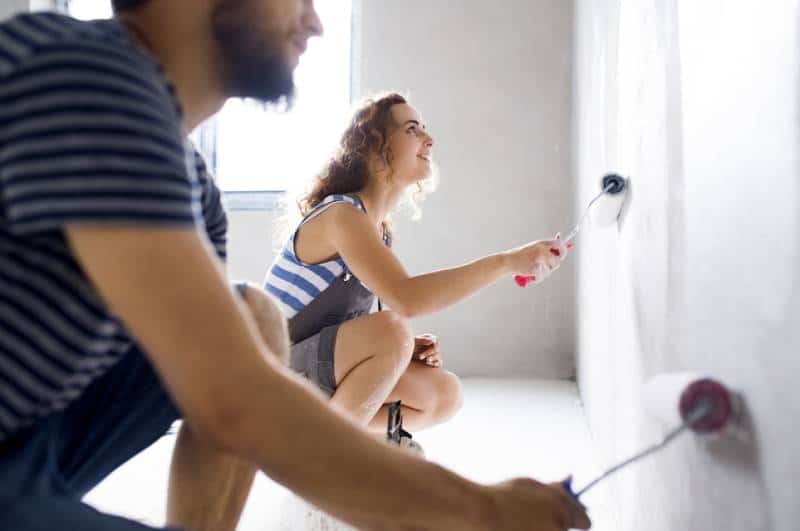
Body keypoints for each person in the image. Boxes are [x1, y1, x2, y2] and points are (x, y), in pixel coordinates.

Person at [0, 1, 591, 530]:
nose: (315, 21)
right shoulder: (82, 75)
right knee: (251, 356)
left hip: (35, 448)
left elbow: (229, 381)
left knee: (247, 315)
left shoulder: (194, 193)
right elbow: (235, 395)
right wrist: (478, 510)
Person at [264, 93, 571, 452]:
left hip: (309, 372)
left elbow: (359, 328)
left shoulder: (376, 231)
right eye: (412, 129)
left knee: (444, 394)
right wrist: (506, 262)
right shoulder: (341, 216)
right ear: (375, 145)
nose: (430, 139)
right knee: (393, 331)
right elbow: (406, 300)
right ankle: (328, 460)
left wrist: (399, 354)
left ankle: (321, 440)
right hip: (271, 379)